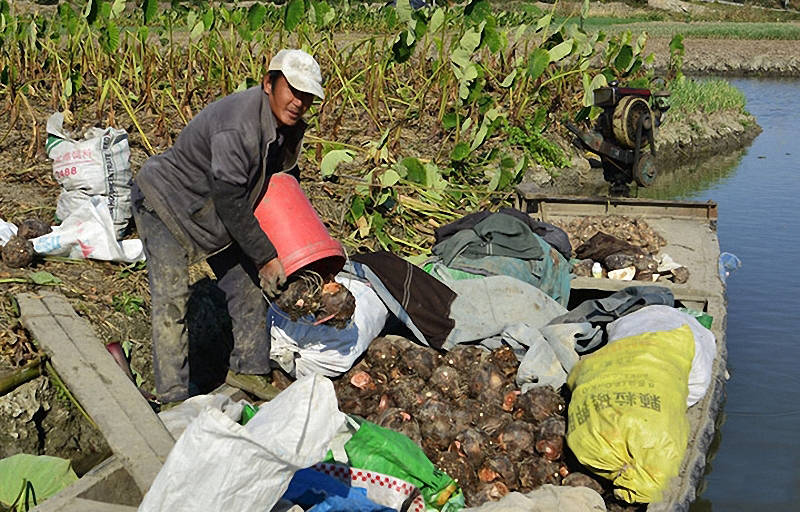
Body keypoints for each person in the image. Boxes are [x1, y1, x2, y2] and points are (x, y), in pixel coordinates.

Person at [131, 49, 325, 404]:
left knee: (248, 286)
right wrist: (266, 256)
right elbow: (230, 198)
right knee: (171, 300)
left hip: (212, 214)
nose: (299, 102)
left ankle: (247, 370)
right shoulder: (240, 124)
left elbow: (279, 185)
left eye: (307, 96)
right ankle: (173, 396)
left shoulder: (283, 127)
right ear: (269, 83)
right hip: (167, 205)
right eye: (292, 91)